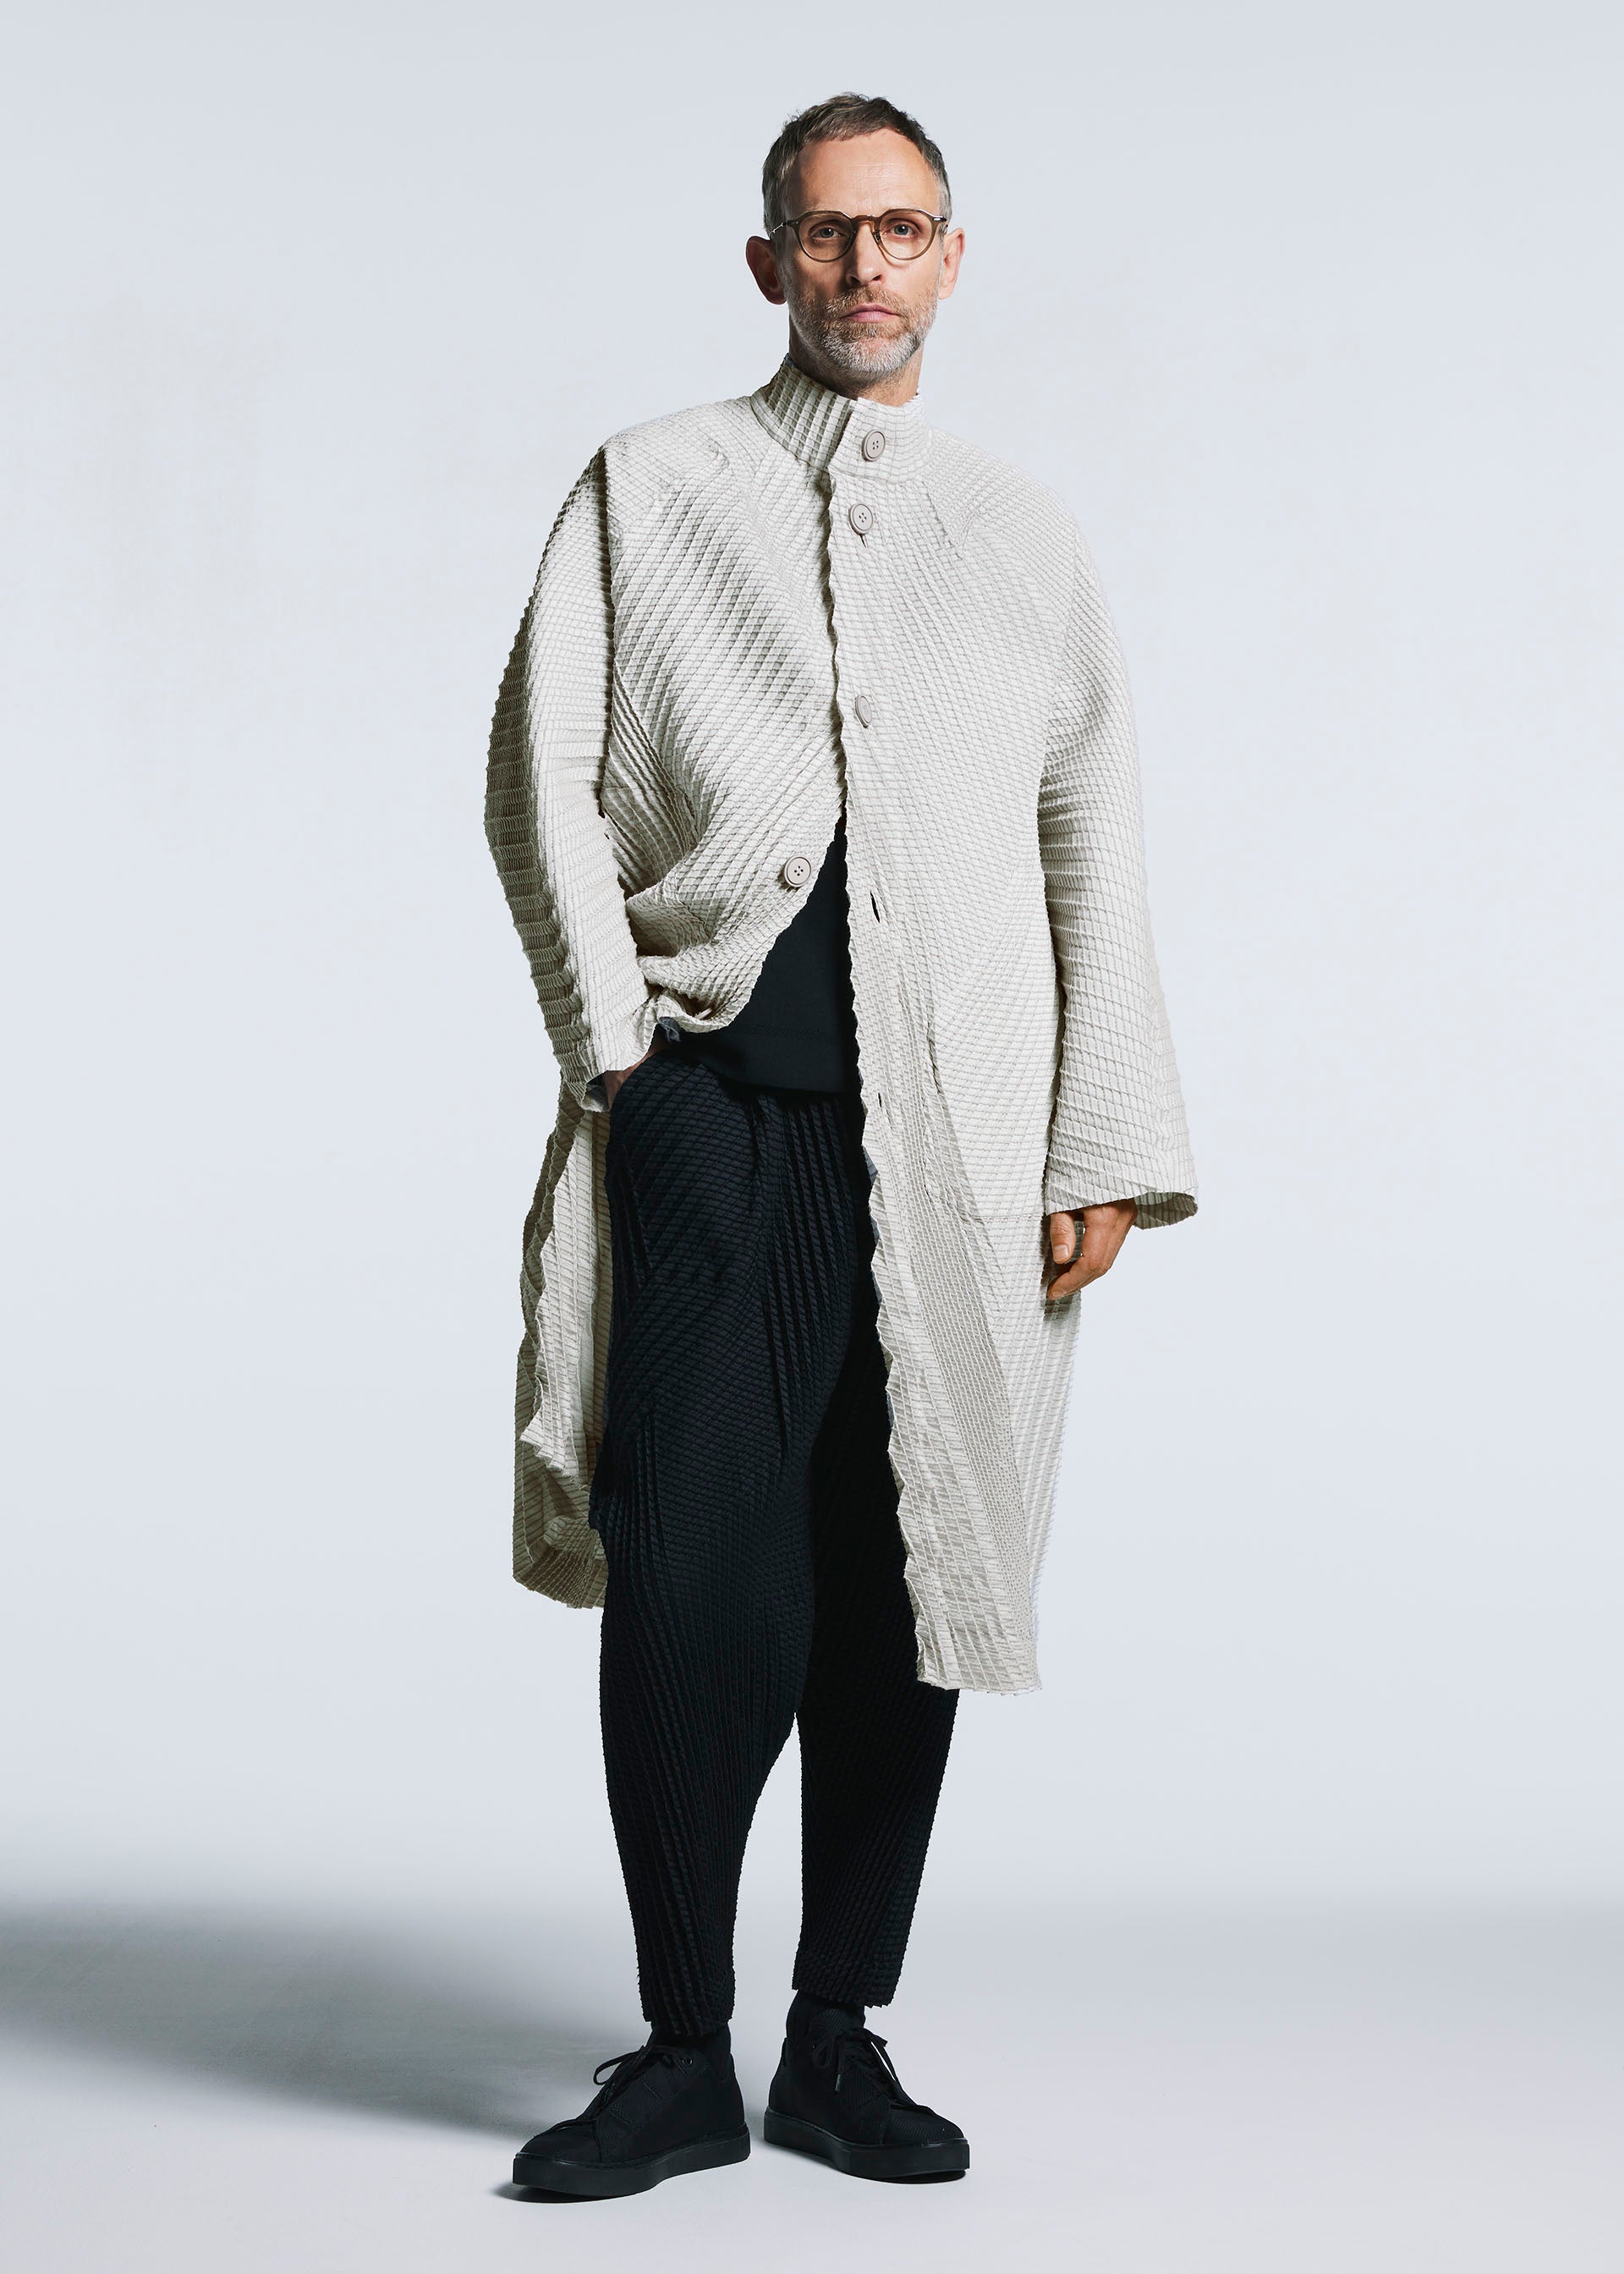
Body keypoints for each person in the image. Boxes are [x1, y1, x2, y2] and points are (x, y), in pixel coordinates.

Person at [484, 90, 1197, 2197]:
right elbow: (540, 779)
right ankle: (679, 2052)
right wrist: (622, 1065)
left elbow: (1093, 836)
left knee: (906, 1581)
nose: (865, 266)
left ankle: (836, 2039)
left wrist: (1100, 1137)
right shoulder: (652, 487)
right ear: (768, 260)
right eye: (827, 231)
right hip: (714, 1121)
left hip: (961, 1151)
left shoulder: (1020, 533)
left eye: (901, 231)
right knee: (696, 1582)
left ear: (951, 257)